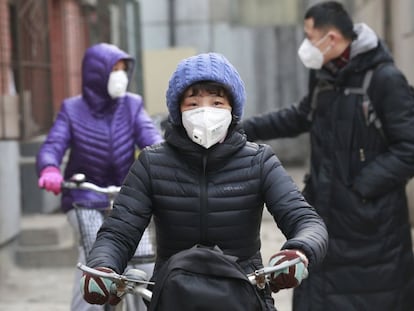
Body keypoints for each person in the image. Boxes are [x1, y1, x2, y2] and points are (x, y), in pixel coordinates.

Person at [78, 52, 328, 310]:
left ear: (233, 109)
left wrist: (299, 252)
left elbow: (306, 221)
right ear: (178, 110)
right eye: (193, 103)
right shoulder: (152, 164)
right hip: (171, 296)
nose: (205, 112)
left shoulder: (259, 160)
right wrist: (102, 266)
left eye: (217, 102)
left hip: (246, 292)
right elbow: (119, 231)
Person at [242, 2, 414, 310]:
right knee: (319, 295)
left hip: (373, 227)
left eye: (310, 36)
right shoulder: (324, 75)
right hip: (325, 215)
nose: (306, 44)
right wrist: (241, 129)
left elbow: (409, 147)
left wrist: (362, 186)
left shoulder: (384, 80)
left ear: (332, 39)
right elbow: (300, 115)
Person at [36, 42, 163, 311]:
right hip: (85, 199)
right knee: (97, 260)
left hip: (127, 197)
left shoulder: (132, 104)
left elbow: (150, 138)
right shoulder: (72, 110)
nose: (120, 75)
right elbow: (53, 145)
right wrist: (49, 168)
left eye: (123, 69)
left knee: (144, 259)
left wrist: (166, 160)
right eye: (113, 69)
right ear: (96, 73)